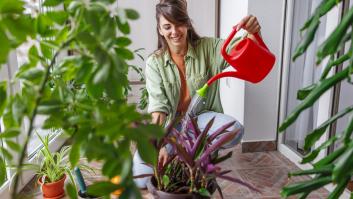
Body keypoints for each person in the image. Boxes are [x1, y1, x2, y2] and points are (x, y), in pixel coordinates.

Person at [133, 0, 262, 188]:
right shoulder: (155, 62)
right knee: (141, 180)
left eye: (179, 24)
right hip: (171, 128)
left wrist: (253, 32)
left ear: (187, 24)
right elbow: (158, 108)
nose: (174, 31)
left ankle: (192, 155)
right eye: (167, 26)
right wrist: (158, 145)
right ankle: (180, 153)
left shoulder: (208, 47)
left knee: (235, 130)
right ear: (160, 30)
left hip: (201, 121)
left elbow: (243, 49)